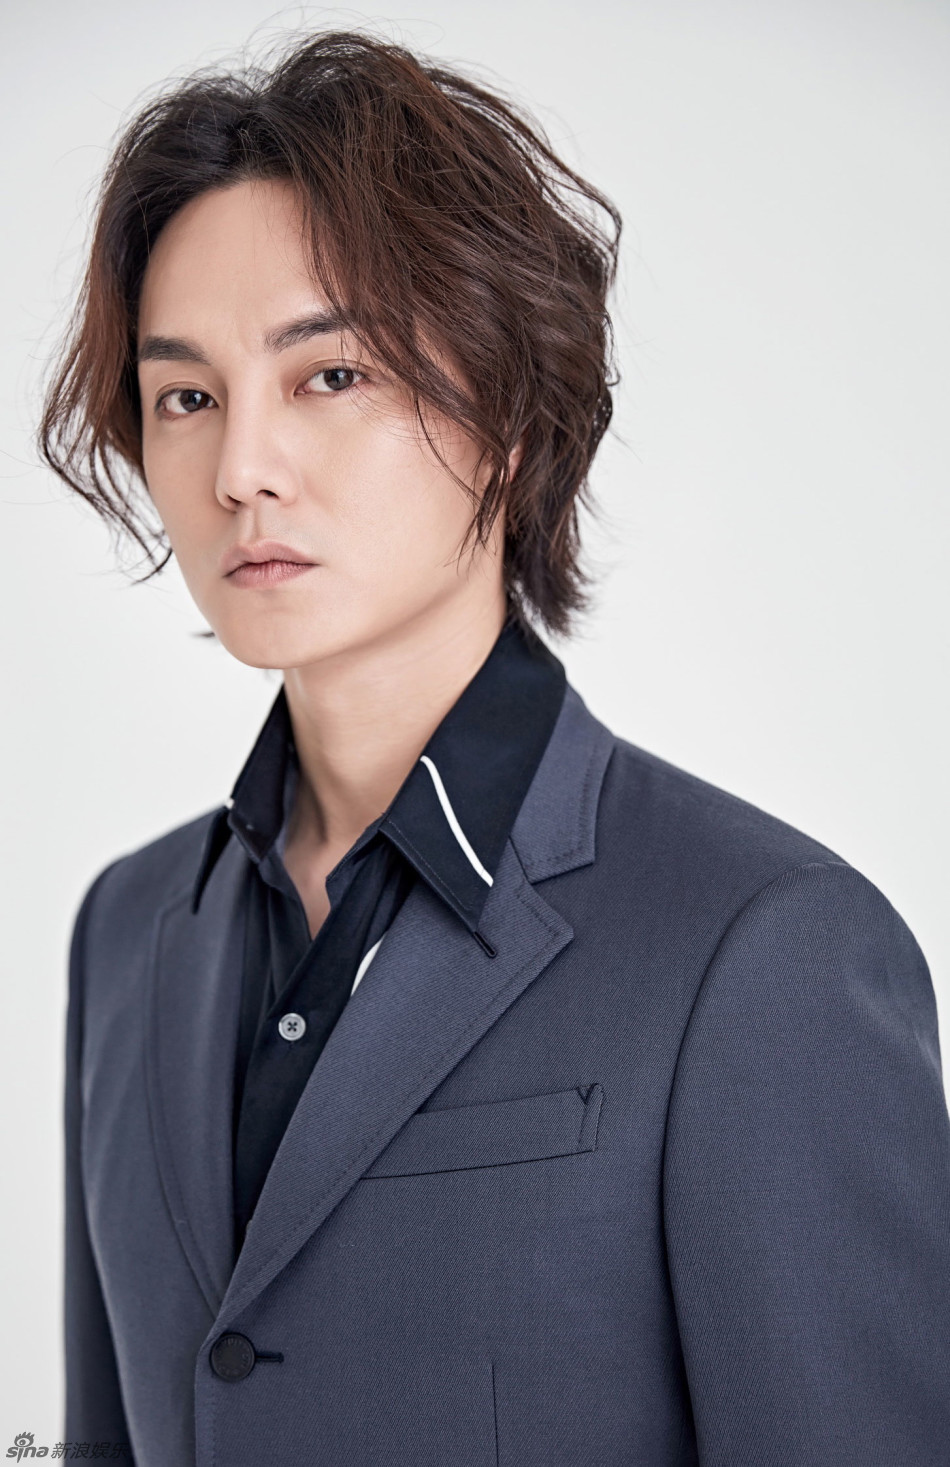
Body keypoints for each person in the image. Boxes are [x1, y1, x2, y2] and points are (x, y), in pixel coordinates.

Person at [41, 27, 950, 1467]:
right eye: (187, 397)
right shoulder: (130, 930)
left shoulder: (763, 951)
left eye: (330, 374)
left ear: (512, 412)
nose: (240, 471)